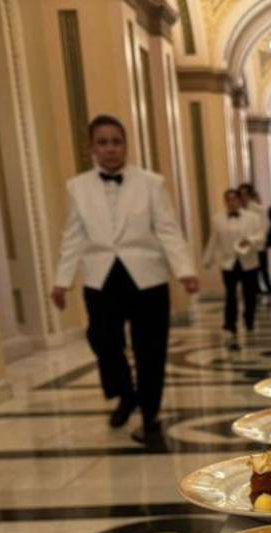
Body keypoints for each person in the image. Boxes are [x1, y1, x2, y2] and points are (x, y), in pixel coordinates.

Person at [51, 114, 197, 437]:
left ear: (126, 145)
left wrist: (184, 270)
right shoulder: (78, 187)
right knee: (102, 340)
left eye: (116, 142)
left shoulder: (151, 183)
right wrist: (62, 280)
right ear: (92, 148)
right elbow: (72, 236)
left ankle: (149, 413)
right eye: (102, 143)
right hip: (100, 277)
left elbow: (167, 230)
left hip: (147, 277)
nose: (110, 149)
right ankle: (125, 394)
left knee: (150, 348)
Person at [203, 188, 264, 349]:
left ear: (239, 200)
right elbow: (213, 240)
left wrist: (249, 240)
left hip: (249, 261)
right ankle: (230, 324)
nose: (231, 202)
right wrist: (207, 260)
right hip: (228, 262)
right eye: (228, 200)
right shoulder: (217, 219)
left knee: (249, 293)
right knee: (230, 294)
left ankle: (248, 319)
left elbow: (261, 236)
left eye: (234, 199)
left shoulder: (253, 218)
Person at [238, 182, 271, 294]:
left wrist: (253, 239)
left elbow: (264, 227)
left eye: (245, 194)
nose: (243, 197)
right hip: (242, 246)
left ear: (250, 195)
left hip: (257, 244)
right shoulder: (237, 210)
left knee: (262, 267)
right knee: (248, 270)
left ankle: (266, 287)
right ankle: (254, 288)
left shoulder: (258, 209)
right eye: (241, 194)